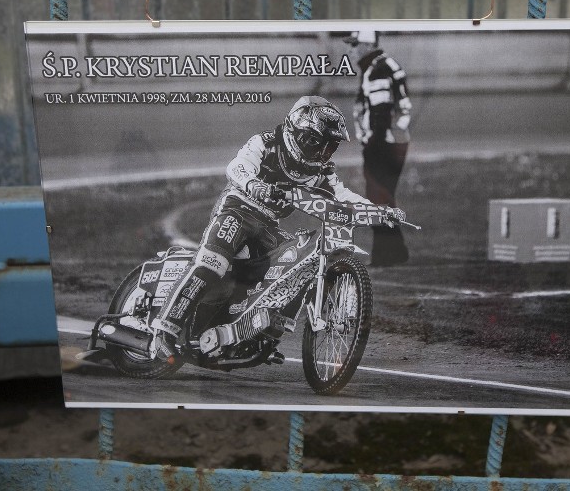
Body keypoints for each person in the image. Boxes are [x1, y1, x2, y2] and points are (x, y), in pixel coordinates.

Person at [150, 96, 404, 360]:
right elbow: (236, 167)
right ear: (299, 132)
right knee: (212, 263)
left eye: (331, 147)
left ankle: (257, 335)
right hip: (237, 210)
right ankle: (164, 331)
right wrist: (254, 185)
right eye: (318, 143)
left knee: (295, 266)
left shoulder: (321, 170)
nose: (322, 152)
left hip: (268, 226)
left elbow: (341, 195)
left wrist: (378, 211)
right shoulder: (266, 142)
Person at [344, 30, 413, 266]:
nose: (350, 50)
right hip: (395, 140)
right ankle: (394, 253)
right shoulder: (382, 65)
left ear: (366, 45)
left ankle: (388, 256)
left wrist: (372, 143)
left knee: (378, 199)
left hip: (384, 142)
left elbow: (381, 110)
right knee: (383, 198)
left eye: (354, 45)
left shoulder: (376, 70)